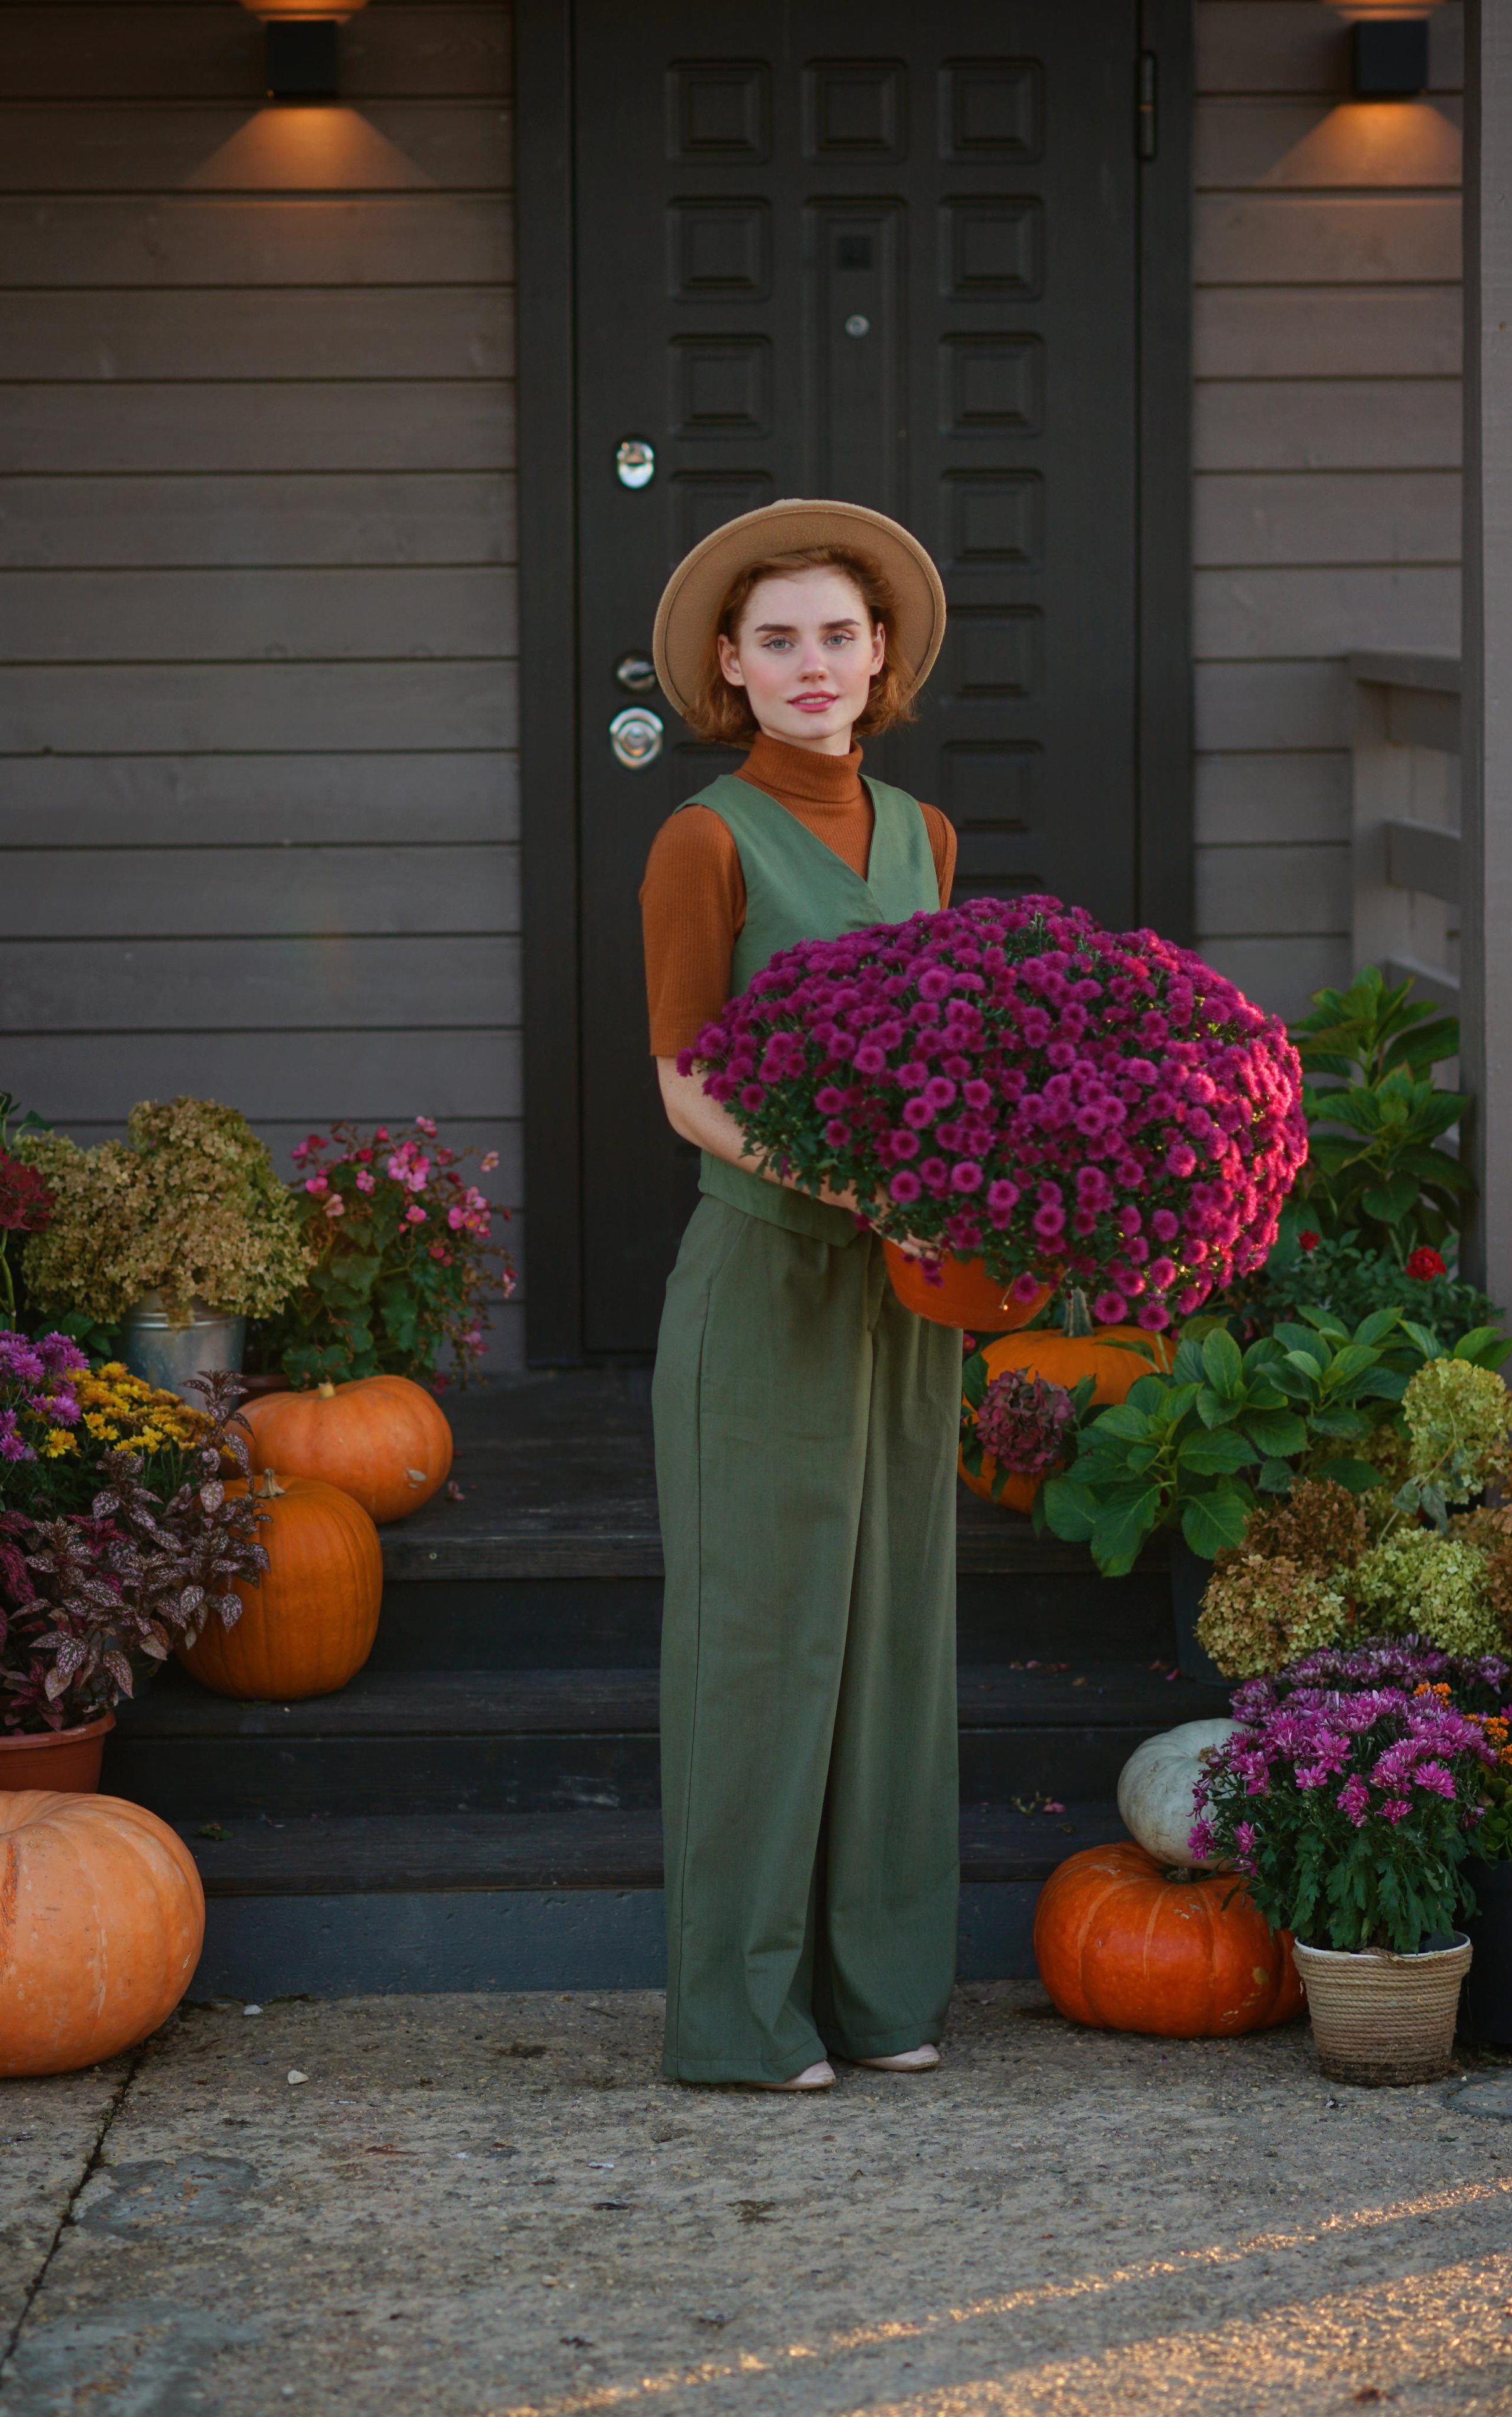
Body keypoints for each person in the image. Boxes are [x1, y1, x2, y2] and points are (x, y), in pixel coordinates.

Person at [640, 499, 962, 2091]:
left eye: (838, 633)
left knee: (893, 1634)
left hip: (905, 1295)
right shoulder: (703, 839)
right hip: (764, 1282)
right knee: (758, 1646)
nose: (811, 663)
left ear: (879, 649)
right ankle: (741, 2016)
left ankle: (879, 1992)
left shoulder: (924, 835)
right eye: (777, 640)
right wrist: (852, 1185)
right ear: (730, 664)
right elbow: (684, 1085)